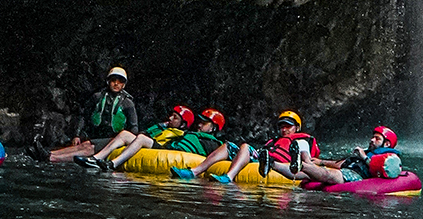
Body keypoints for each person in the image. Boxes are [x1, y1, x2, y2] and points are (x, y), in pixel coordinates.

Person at [171, 110, 319, 183]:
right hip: (261, 159)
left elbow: (306, 161)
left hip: (279, 164)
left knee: (246, 146)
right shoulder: (274, 141)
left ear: (297, 128)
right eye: (282, 126)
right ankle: (194, 172)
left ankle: (228, 177)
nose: (284, 130)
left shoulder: (301, 141)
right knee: (229, 146)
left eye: (289, 126)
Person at [78, 108, 226, 171]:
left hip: (170, 152)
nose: (199, 124)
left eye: (204, 123)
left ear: (213, 128)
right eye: (199, 121)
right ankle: (96, 159)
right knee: (124, 134)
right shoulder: (183, 132)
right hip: (166, 148)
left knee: (141, 138)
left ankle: (112, 164)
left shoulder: (212, 143)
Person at [46, 66, 139, 163]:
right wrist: (78, 135)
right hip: (97, 135)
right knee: (84, 145)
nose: (116, 84)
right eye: (113, 80)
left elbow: (134, 126)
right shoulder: (97, 97)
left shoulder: (128, 103)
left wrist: (130, 143)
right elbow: (84, 116)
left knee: (88, 148)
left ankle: (52, 158)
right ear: (108, 82)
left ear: (124, 85)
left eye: (120, 81)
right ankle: (50, 153)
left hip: (114, 139)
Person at [289, 125, 402, 185]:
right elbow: (344, 163)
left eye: (377, 138)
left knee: (329, 174)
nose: (372, 140)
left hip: (356, 177)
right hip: (347, 171)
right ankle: (274, 164)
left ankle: (301, 164)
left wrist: (363, 156)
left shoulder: (390, 157)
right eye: (372, 137)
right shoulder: (368, 151)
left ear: (386, 144)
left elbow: (383, 169)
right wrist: (321, 162)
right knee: (307, 174)